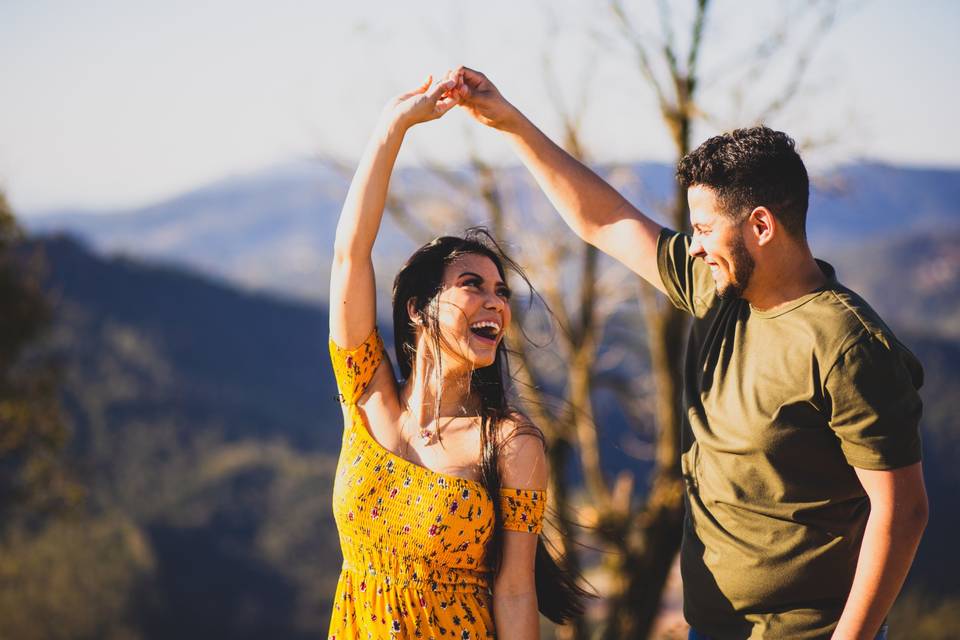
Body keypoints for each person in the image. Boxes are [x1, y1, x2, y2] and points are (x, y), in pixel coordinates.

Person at [450, 66, 928, 639]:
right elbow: (604, 220)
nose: (694, 244)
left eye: (703, 228)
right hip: (709, 627)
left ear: (761, 225)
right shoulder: (716, 289)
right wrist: (508, 122)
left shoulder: (847, 346)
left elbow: (902, 512)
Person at [327, 75, 586, 639]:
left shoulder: (510, 444)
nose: (494, 302)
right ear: (420, 309)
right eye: (474, 285)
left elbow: (516, 593)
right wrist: (392, 127)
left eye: (501, 293)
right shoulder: (365, 395)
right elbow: (351, 255)